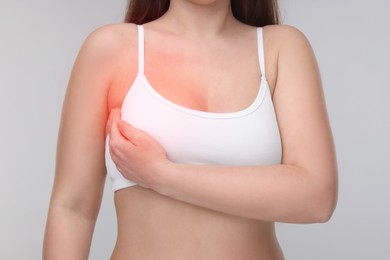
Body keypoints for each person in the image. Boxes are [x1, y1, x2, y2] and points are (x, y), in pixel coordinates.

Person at [43, 0, 338, 259]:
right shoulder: (111, 48)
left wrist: (161, 174)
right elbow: (72, 208)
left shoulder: (281, 49)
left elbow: (317, 198)